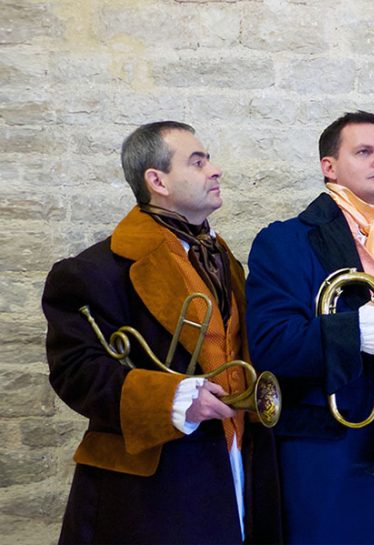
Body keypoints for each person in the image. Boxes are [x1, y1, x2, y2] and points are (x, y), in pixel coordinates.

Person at [42, 121, 281, 544]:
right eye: (198, 161)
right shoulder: (92, 271)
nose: (215, 170)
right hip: (151, 492)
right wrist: (171, 400)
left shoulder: (226, 263)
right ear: (158, 181)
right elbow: (75, 372)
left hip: (236, 468)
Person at [245, 111, 374, 544]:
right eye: (364, 152)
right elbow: (270, 344)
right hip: (328, 450)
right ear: (329, 167)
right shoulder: (285, 240)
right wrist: (360, 328)